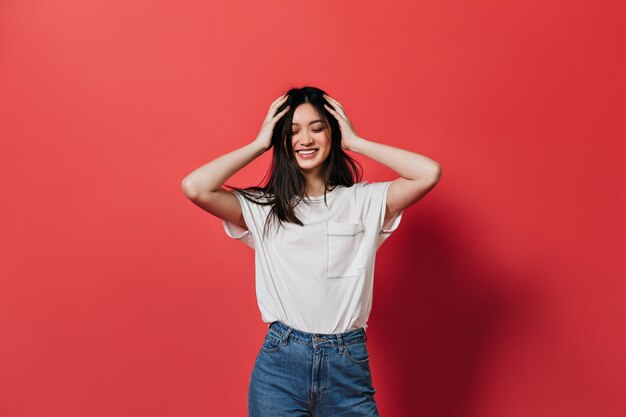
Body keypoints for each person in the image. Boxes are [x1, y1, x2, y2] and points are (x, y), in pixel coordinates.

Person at [181, 86, 442, 417]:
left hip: (347, 364)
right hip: (281, 365)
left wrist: (356, 142)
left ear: (332, 133)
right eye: (293, 132)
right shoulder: (265, 207)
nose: (305, 139)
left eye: (317, 128)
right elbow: (195, 186)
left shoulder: (364, 202)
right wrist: (259, 143)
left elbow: (428, 173)